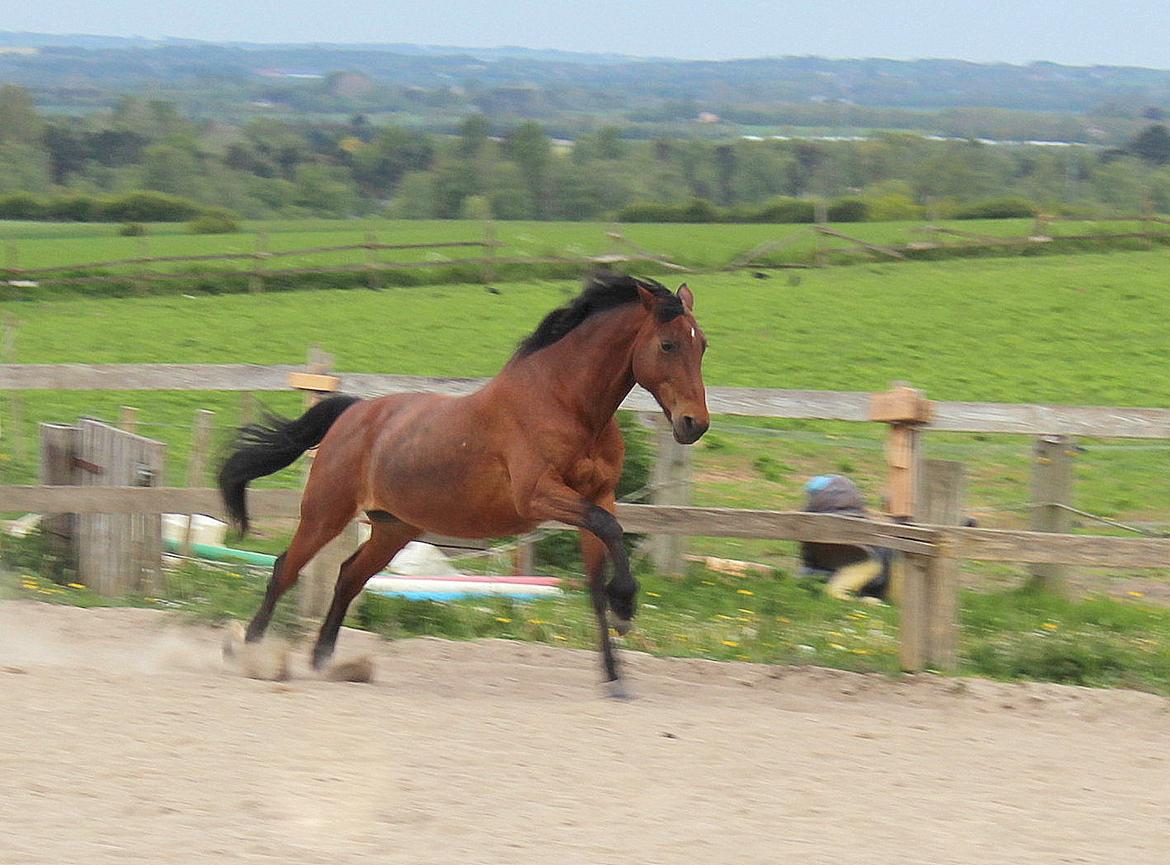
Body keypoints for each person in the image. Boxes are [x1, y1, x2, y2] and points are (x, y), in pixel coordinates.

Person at [798, 474, 900, 604]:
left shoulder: (810, 523)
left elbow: (808, 556)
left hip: (826, 572)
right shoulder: (863, 520)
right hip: (869, 577)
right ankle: (870, 596)